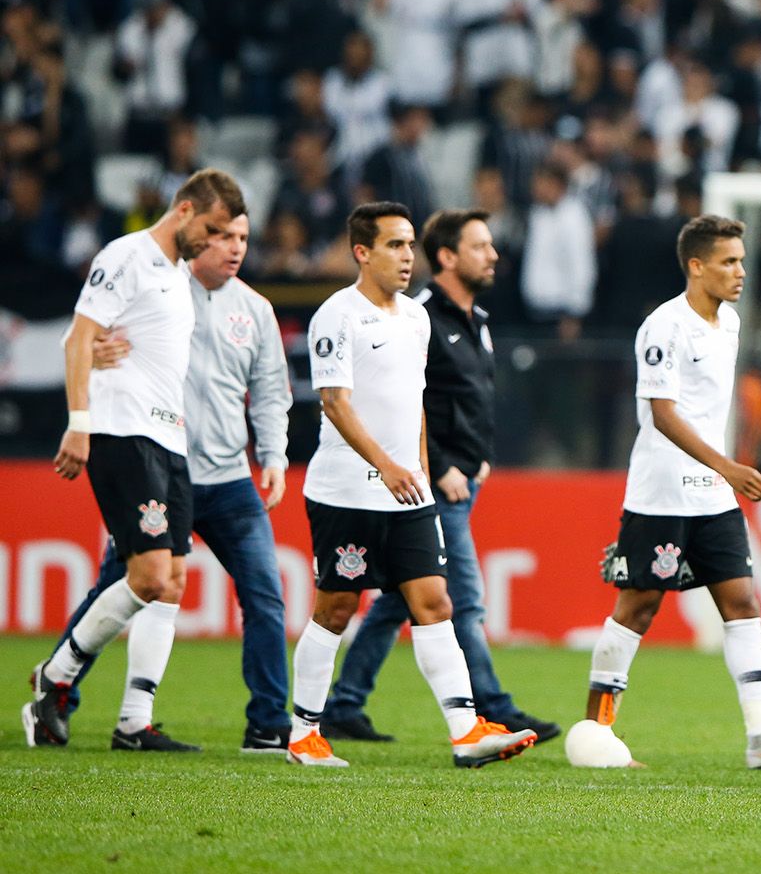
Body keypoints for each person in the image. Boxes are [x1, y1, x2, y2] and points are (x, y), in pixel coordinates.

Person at [568, 215, 761, 771]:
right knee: (638, 607)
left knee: (742, 604)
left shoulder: (729, 322)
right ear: (696, 265)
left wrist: (724, 472)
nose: (739, 272)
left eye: (741, 260)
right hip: (662, 492)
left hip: (713, 493)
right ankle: (596, 730)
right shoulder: (664, 327)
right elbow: (663, 416)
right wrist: (730, 466)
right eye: (728, 261)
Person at [288, 202, 538, 769]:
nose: (408, 257)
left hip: (408, 492)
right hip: (346, 492)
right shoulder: (337, 314)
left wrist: (418, 469)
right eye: (395, 246)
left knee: (435, 602)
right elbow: (334, 403)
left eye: (410, 246)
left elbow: (415, 404)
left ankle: (466, 729)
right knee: (336, 608)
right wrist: (385, 464)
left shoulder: (415, 318)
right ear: (362, 252)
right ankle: (303, 734)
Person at [25, 169, 242, 751]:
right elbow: (78, 338)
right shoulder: (126, 256)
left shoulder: (174, 273)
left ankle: (133, 723)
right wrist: (79, 424)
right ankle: (56, 677)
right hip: (125, 433)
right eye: (214, 229)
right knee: (146, 574)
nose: (217, 242)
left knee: (170, 582)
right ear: (186, 208)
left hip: (169, 440)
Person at [63, 212, 293, 753]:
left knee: (265, 595)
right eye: (225, 237)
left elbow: (270, 392)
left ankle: (266, 723)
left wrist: (276, 455)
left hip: (231, 478)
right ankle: (59, 695)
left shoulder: (256, 309)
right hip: (160, 473)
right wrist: (93, 355)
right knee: (121, 588)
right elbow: (85, 338)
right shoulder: (158, 288)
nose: (236, 248)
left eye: (243, 238)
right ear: (202, 238)